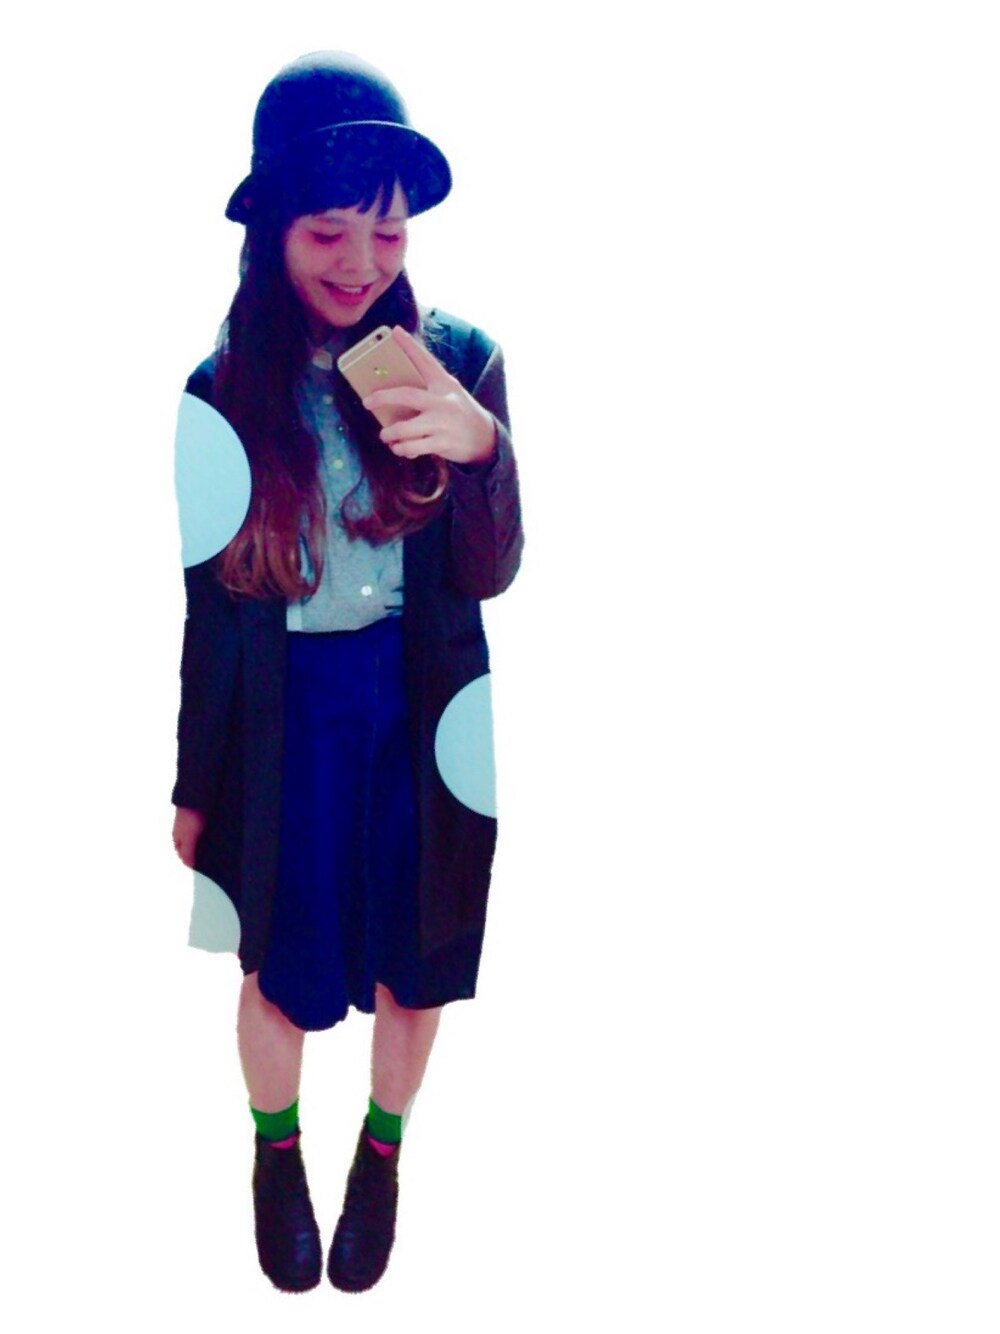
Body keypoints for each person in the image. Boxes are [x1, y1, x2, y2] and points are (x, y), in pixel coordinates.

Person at [171, 51, 523, 1294]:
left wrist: (481, 451)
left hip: (425, 707)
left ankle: (382, 1152)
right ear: (271, 228)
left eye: (388, 230)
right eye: (328, 231)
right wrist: (194, 782)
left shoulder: (459, 357)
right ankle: (276, 1153)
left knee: (418, 950)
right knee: (276, 957)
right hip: (284, 714)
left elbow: (490, 573)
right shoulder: (220, 393)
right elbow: (208, 611)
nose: (362, 262)